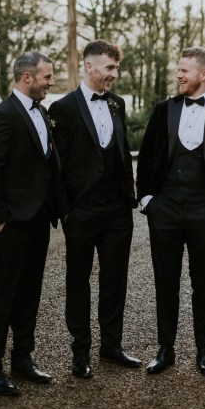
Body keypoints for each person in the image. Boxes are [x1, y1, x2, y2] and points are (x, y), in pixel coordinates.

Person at [137, 46, 205, 375]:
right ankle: (165, 348)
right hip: (165, 209)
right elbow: (144, 157)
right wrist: (146, 200)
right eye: (178, 69)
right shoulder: (163, 109)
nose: (178, 74)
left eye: (185, 70)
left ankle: (204, 349)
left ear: (204, 74)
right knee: (165, 281)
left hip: (204, 210)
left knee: (204, 282)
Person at [48, 39, 141, 379]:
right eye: (109, 68)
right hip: (81, 211)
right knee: (78, 280)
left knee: (115, 279)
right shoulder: (63, 108)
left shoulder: (117, 104)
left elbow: (121, 151)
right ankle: (80, 350)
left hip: (118, 211)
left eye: (116, 68)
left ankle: (112, 346)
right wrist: (65, 211)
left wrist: (129, 197)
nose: (114, 75)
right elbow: (55, 166)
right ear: (89, 67)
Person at [0, 51, 59, 396]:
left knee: (29, 293)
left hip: (38, 220)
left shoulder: (43, 112)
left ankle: (23, 357)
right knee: (1, 296)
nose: (51, 82)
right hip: (11, 223)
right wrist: (1, 221)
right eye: (46, 77)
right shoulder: (2, 115)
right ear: (27, 78)